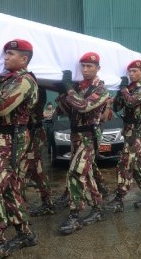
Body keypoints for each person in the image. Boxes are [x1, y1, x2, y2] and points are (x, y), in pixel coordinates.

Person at [0, 39, 38, 258]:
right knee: (10, 189)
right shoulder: (6, 80)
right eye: (5, 54)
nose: (6, 57)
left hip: (11, 140)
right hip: (0, 139)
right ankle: (25, 233)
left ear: (24, 58)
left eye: (11, 53)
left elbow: (1, 107)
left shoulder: (25, 81)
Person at [55, 52, 109, 235]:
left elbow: (84, 106)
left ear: (98, 69)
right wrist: (63, 92)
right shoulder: (79, 86)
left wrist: (69, 89)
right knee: (88, 173)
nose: (85, 70)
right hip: (76, 136)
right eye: (83, 66)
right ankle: (98, 209)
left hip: (89, 136)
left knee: (76, 173)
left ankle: (74, 215)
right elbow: (66, 111)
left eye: (90, 67)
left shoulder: (101, 90)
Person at [105, 59, 141, 213]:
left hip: (137, 130)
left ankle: (119, 199)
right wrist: (119, 92)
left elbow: (131, 102)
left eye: (135, 71)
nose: (132, 74)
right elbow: (118, 106)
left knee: (124, 162)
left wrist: (123, 89)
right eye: (130, 72)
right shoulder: (128, 88)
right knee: (137, 166)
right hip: (128, 129)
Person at [19, 86, 55, 217]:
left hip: (33, 133)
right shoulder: (34, 86)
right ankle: (47, 202)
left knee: (23, 170)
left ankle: (20, 208)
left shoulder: (35, 88)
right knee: (35, 169)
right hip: (30, 133)